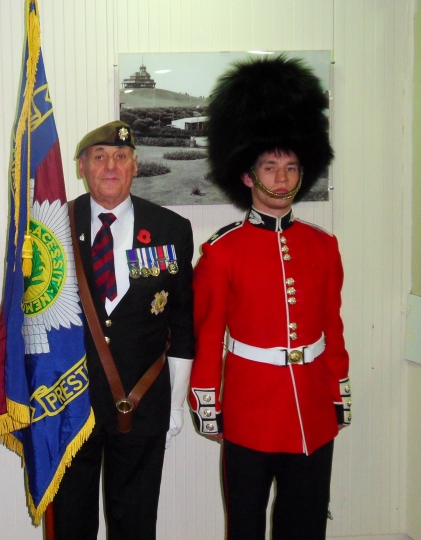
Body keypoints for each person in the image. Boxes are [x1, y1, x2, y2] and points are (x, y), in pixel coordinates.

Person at [189, 56, 351, 540]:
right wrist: (206, 400)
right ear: (247, 175)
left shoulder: (323, 247)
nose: (281, 179)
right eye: (269, 167)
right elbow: (208, 333)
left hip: (312, 411)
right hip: (249, 412)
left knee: (304, 526)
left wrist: (338, 388)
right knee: (245, 528)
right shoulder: (221, 252)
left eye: (291, 167)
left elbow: (333, 326)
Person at [53, 121, 195, 540]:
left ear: (135, 166)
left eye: (120, 157)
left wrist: (176, 402)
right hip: (68, 400)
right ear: (81, 167)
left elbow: (183, 322)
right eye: (99, 157)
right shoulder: (53, 226)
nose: (110, 166)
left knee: (134, 522)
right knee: (70, 522)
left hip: (142, 399)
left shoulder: (170, 228)